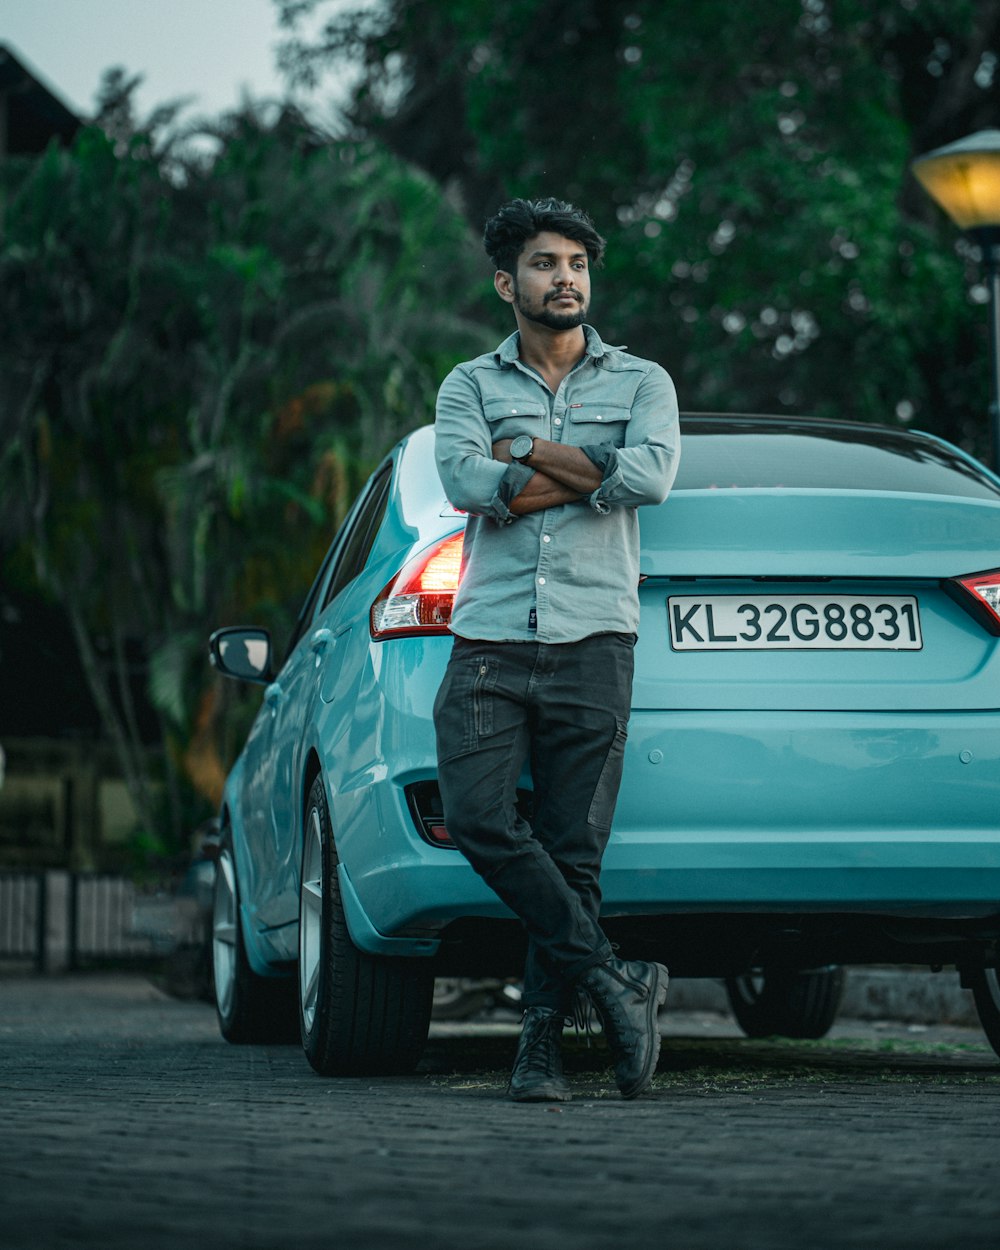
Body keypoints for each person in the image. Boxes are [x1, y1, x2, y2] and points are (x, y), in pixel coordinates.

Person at [433, 197, 680, 1102]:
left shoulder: (644, 379)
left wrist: (531, 450)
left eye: (576, 264)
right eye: (545, 264)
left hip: (594, 639)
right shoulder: (466, 385)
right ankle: (617, 981)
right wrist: (592, 471)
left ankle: (538, 1045)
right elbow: (466, 482)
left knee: (573, 851)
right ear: (508, 282)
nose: (565, 278)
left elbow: (650, 478)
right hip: (490, 639)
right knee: (481, 819)